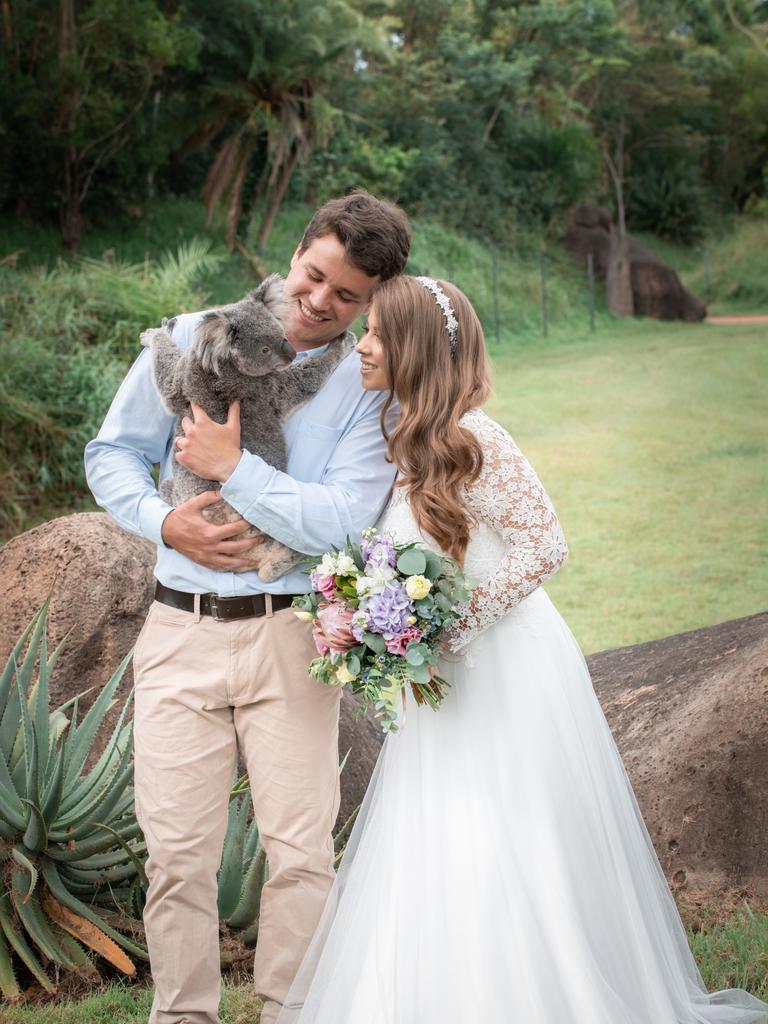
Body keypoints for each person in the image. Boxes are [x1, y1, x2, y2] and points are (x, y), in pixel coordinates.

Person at [275, 275, 768, 1024]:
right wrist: (370, 613)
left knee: (500, 833)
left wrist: (451, 628)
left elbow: (546, 544)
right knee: (435, 831)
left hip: (504, 669)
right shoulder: (401, 433)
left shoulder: (477, 437)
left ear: (411, 346)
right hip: (440, 680)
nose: (363, 343)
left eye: (376, 332)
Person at [84, 190, 411, 1024]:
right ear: (297, 252)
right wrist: (164, 522)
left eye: (347, 297)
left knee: (301, 852)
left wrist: (236, 470)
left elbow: (345, 515)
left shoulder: (371, 382)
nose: (320, 305)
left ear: (373, 300)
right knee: (177, 856)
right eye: (315, 277)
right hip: (178, 629)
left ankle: (290, 1012)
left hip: (291, 635)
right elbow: (113, 453)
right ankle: (182, 1015)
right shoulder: (200, 332)